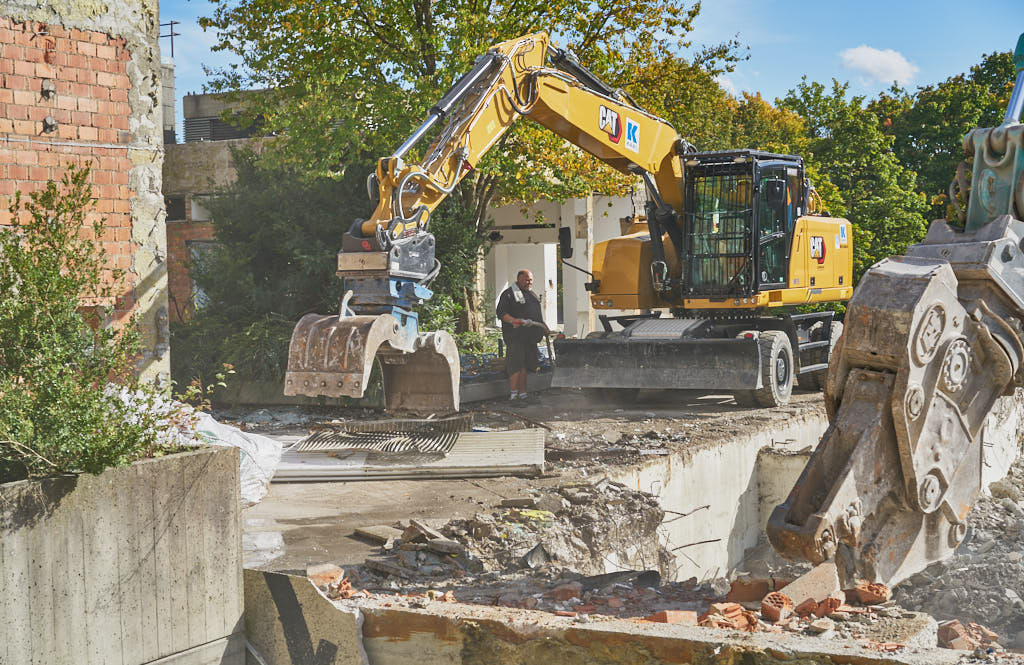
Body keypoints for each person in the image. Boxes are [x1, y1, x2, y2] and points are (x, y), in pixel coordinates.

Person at [496, 269, 546, 400]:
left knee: (526, 365)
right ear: (518, 279)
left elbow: (536, 315)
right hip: (516, 337)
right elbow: (501, 313)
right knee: (515, 365)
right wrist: (513, 321)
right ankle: (513, 395)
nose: (529, 282)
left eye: (530, 280)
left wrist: (544, 327)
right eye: (526, 280)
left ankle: (523, 394)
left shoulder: (531, 294)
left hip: (530, 338)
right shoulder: (509, 294)